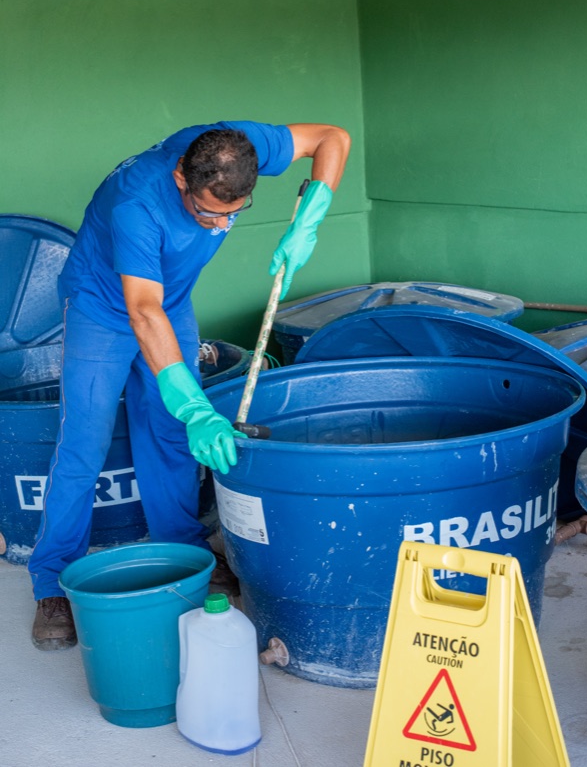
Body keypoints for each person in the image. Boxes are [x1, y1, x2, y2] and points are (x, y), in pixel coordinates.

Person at [28, 120, 351, 650]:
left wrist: (309, 219)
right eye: (208, 211)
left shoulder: (232, 147)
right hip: (105, 306)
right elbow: (142, 309)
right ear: (182, 178)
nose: (219, 222)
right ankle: (51, 580)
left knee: (169, 434)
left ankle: (183, 546)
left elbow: (330, 138)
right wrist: (195, 405)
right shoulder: (137, 204)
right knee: (85, 439)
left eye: (233, 212)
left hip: (169, 302)